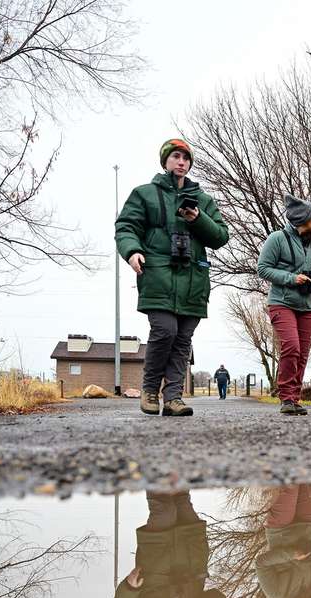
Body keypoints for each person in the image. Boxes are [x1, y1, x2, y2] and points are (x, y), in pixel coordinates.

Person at [116, 138, 229, 417]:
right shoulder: (144, 194)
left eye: (186, 158)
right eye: (176, 156)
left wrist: (197, 219)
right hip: (158, 274)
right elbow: (126, 227)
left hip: (193, 280)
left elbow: (220, 237)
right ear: (165, 160)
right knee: (165, 331)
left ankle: (174, 398)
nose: (182, 162)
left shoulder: (202, 200)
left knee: (182, 341)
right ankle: (150, 390)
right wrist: (132, 252)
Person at [257, 195, 311, 416]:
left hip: (309, 305)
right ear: (303, 219)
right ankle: (286, 397)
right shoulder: (277, 239)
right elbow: (263, 268)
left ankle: (295, 398)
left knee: (302, 354)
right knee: (292, 347)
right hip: (282, 302)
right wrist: (291, 278)